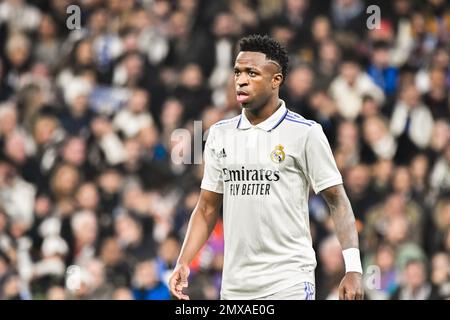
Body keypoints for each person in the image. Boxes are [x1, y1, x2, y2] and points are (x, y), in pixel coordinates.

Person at [169, 35, 364, 300]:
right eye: (237, 72)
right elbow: (206, 208)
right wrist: (184, 260)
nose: (241, 79)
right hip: (235, 286)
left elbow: (337, 200)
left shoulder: (305, 133)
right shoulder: (219, 134)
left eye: (252, 72)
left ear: (276, 80)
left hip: (289, 281)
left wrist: (353, 268)